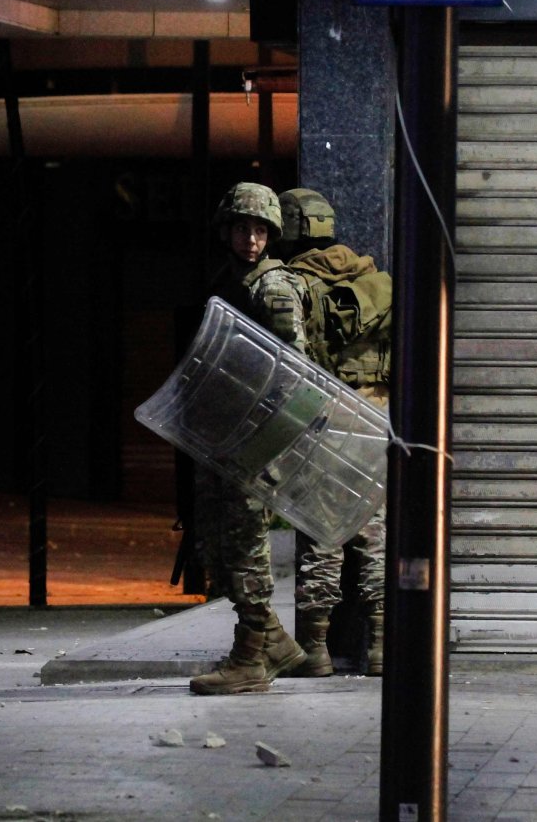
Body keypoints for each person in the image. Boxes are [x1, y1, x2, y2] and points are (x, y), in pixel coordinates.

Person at [249, 188, 391, 678]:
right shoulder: (373, 280)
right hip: (373, 419)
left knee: (321, 538)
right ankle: (378, 648)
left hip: (322, 420)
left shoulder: (292, 283)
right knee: (374, 537)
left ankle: (316, 650)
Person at [188, 182, 306, 695]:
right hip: (226, 434)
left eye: (260, 230)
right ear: (226, 231)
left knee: (246, 547)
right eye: (242, 228)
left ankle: (251, 658)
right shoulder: (229, 281)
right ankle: (274, 641)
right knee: (219, 543)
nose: (251, 239)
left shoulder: (274, 289)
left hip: (256, 438)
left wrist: (259, 430)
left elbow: (293, 371)